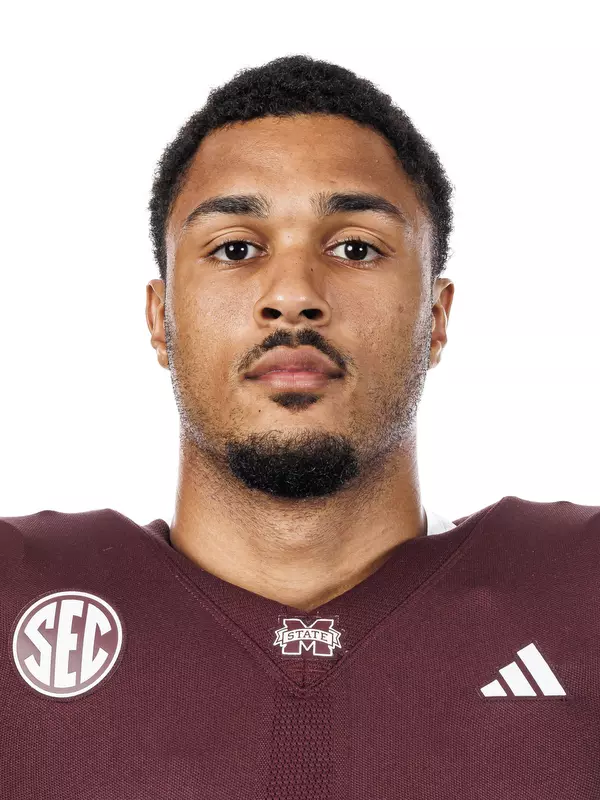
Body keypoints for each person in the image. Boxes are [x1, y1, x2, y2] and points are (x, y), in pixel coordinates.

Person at [1, 55, 598, 800]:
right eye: (236, 249)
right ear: (161, 320)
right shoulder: (15, 594)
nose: (292, 295)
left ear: (436, 320)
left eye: (354, 248)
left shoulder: (583, 593)